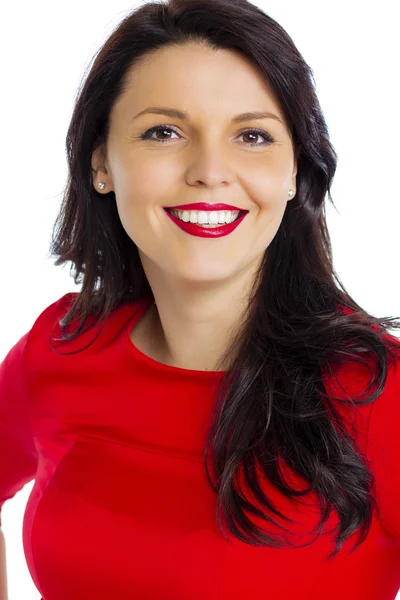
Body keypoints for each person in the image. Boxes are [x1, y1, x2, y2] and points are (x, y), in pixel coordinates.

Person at [1, 0, 400, 598]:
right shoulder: (61, 347)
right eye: (164, 132)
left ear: (294, 171)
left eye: (253, 135)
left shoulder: (377, 389)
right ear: (101, 162)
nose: (211, 170)